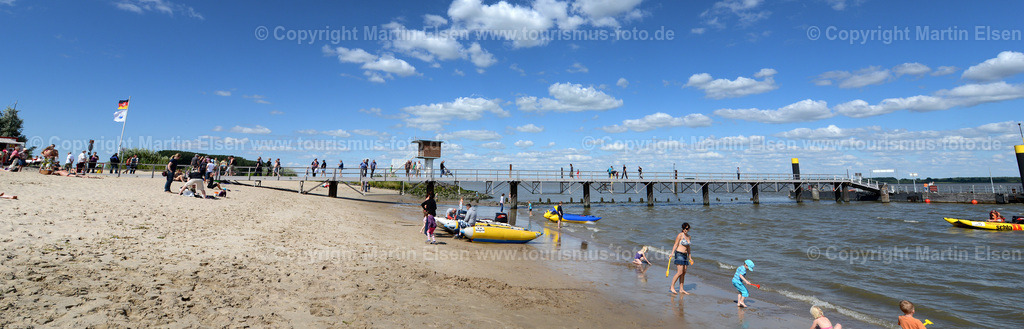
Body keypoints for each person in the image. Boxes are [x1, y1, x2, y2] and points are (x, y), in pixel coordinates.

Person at [670, 223, 692, 295]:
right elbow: (675, 244)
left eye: (686, 228)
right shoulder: (680, 235)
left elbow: (688, 248)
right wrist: (672, 253)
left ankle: (681, 289)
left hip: (685, 255)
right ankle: (672, 287)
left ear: (688, 229)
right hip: (679, 254)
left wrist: (690, 257)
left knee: (684, 272)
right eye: (684, 228)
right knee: (679, 272)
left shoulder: (689, 237)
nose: (685, 230)